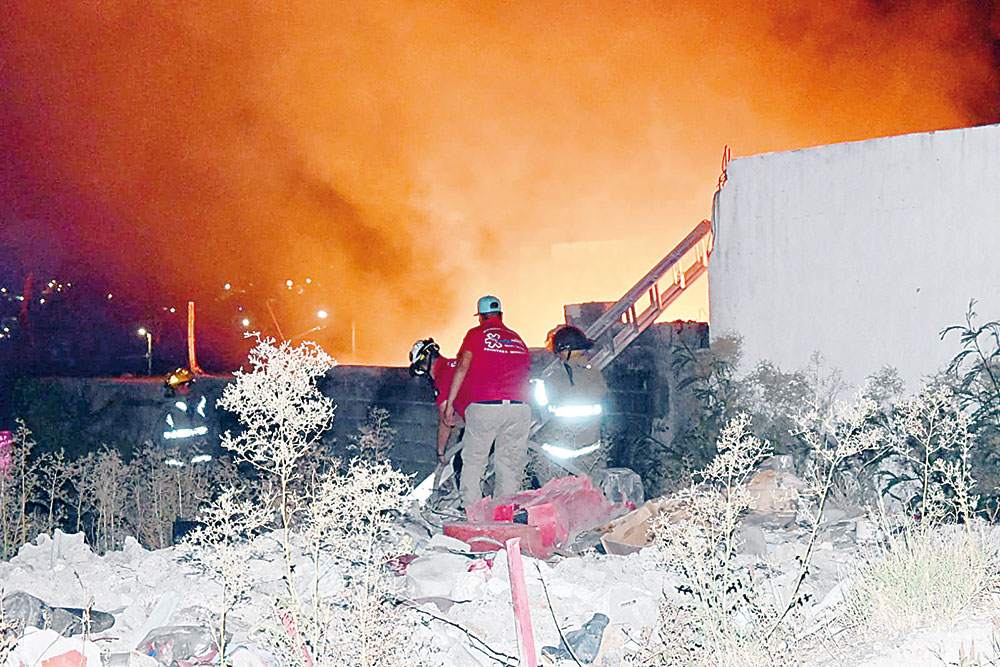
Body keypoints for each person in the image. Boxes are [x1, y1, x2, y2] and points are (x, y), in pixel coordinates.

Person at [444, 295, 531, 508]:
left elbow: (463, 365)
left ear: (481, 317)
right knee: (510, 465)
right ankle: (505, 514)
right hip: (520, 408)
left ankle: (472, 513)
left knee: (474, 461)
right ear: (501, 315)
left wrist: (450, 403)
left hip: (485, 405)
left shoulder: (476, 334)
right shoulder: (517, 339)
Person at [532, 325, 609, 482]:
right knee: (589, 498)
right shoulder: (595, 374)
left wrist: (536, 383)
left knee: (556, 499)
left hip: (557, 460)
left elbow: (540, 410)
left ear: (564, 351)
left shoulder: (553, 378)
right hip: (591, 456)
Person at [408, 338, 466, 465]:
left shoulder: (442, 376)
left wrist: (441, 452)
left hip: (482, 419)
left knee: (461, 464)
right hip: (506, 410)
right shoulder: (454, 364)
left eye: (421, 367)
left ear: (427, 362)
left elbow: (445, 418)